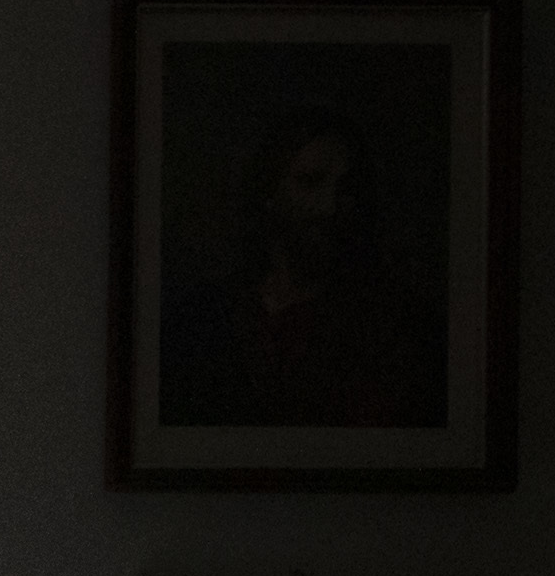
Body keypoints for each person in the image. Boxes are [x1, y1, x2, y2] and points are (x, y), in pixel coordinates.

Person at [157, 102, 442, 429]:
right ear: (269, 192)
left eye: (347, 189)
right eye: (309, 182)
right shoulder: (202, 320)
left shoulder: (398, 326)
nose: (331, 206)